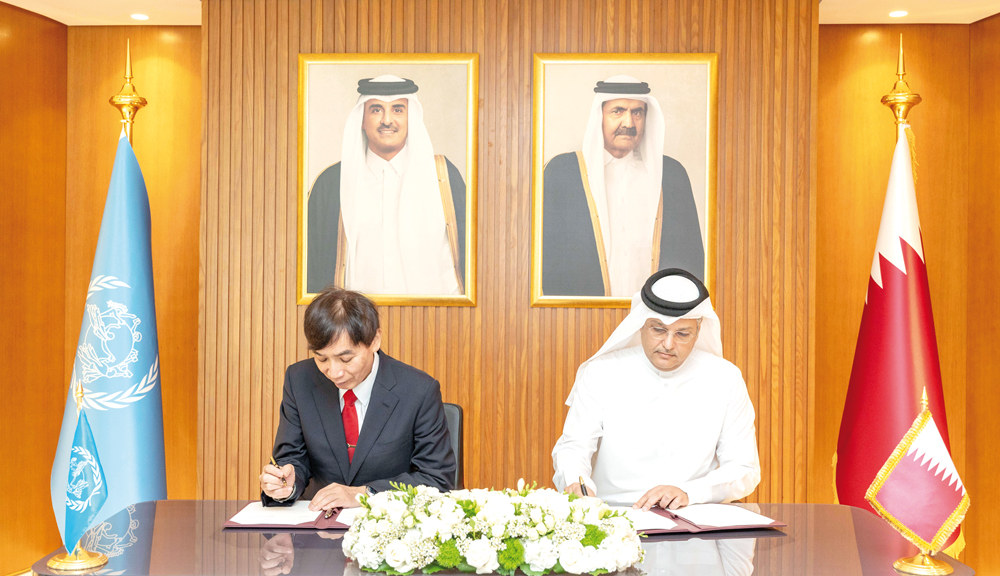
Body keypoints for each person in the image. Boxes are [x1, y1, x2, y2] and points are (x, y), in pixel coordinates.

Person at [551, 268, 760, 508]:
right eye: (658, 330)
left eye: (682, 334)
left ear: (699, 330)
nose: (668, 344)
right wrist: (576, 482)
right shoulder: (601, 372)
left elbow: (744, 469)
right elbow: (574, 448)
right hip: (614, 516)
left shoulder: (725, 378)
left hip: (693, 517)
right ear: (641, 324)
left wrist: (689, 492)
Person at [259, 287, 456, 512]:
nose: (333, 372)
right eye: (321, 358)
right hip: (318, 528)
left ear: (374, 340)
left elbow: (436, 479)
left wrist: (365, 493)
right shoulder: (299, 380)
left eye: (346, 358)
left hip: (392, 529)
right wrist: (286, 484)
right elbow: (293, 459)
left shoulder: (418, 390)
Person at [542, 76, 704, 297]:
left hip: (655, 319)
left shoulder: (671, 174)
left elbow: (691, 258)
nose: (629, 123)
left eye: (637, 112)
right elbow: (547, 257)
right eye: (617, 111)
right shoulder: (563, 172)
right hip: (583, 316)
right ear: (599, 117)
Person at [307, 75, 466, 296]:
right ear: (362, 119)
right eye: (376, 110)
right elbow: (313, 269)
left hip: (433, 320)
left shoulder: (443, 177)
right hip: (355, 325)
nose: (387, 120)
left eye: (398, 110)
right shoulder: (331, 183)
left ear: (412, 118)